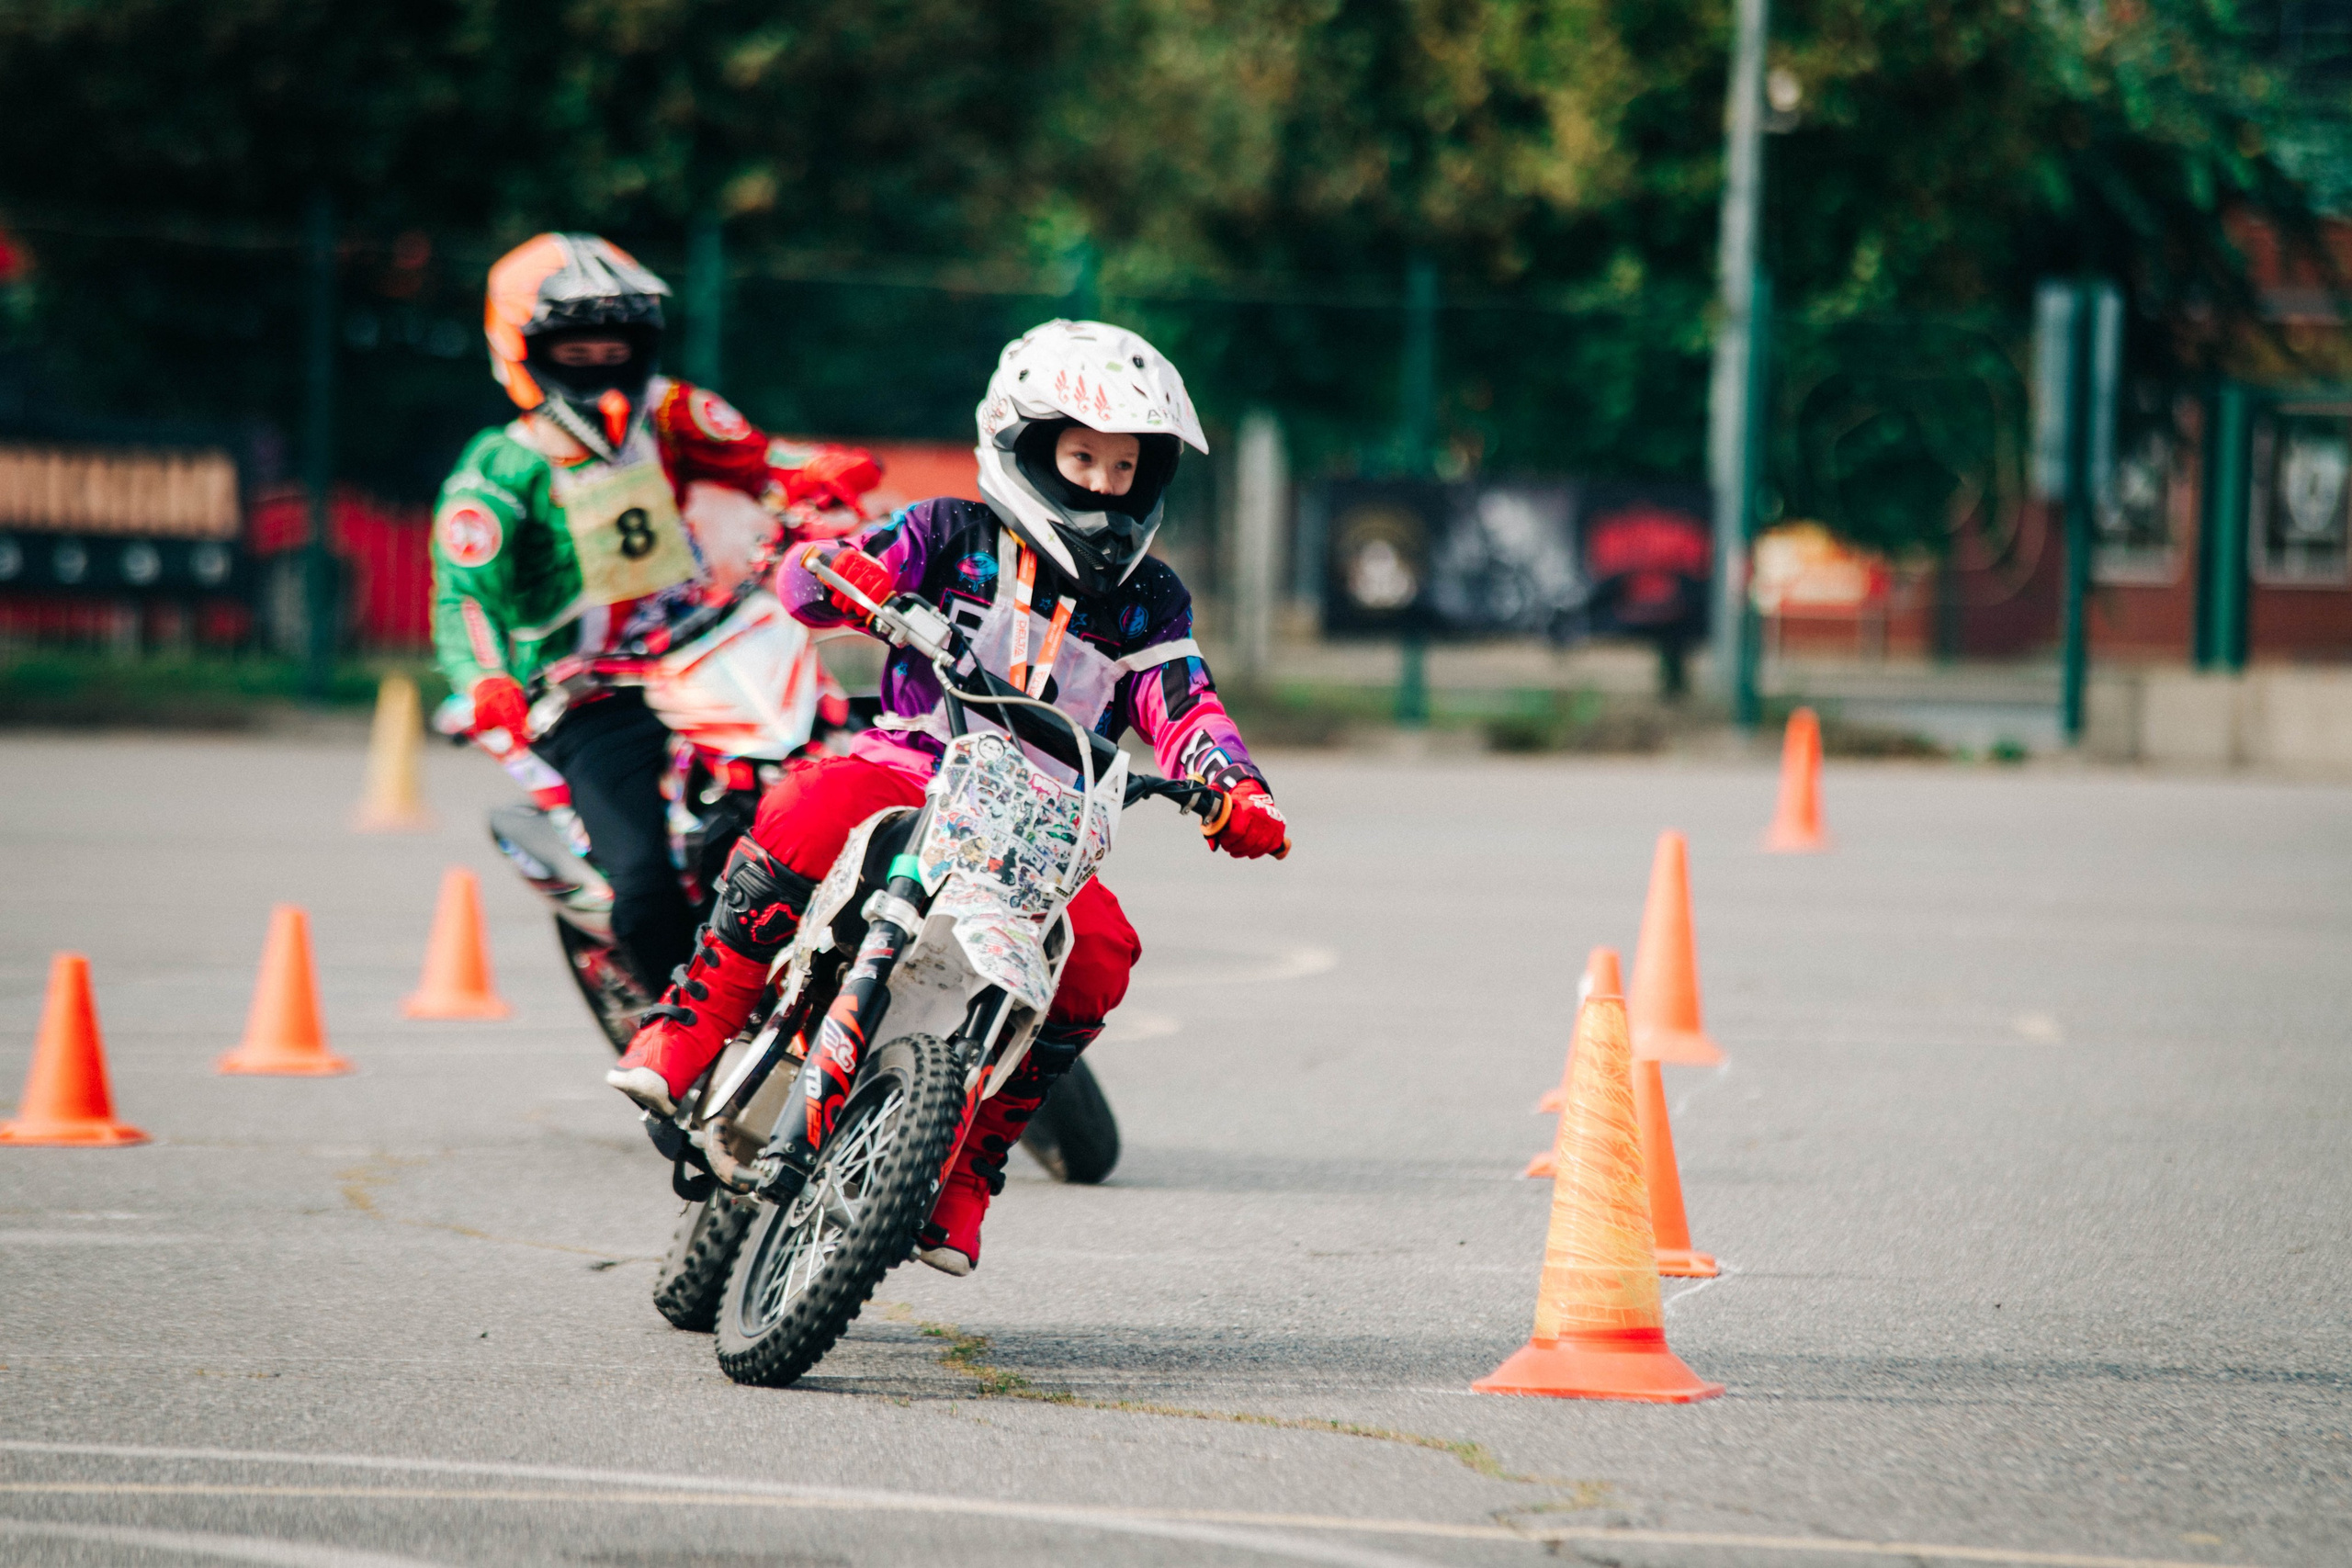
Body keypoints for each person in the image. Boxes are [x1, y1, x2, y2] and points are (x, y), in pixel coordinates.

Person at [606, 319, 1289, 1275]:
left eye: (1123, 465)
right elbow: (812, 578)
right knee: (808, 802)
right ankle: (694, 1020)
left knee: (1099, 956)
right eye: (1080, 456)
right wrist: (836, 572)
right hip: (914, 764)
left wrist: (1235, 788)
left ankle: (968, 1171)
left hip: (1044, 827)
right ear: (1020, 444)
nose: (1099, 482)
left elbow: (1184, 705)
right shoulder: (949, 531)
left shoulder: (1151, 602)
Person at [430, 232, 880, 992]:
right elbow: (462, 593)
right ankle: (686, 1040)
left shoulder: (674, 411)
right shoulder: (496, 471)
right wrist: (484, 680)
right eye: (576, 348)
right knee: (640, 881)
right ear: (521, 350)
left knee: (849, 752)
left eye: (618, 343)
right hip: (588, 692)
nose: (603, 364)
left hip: (710, 643)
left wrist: (817, 472)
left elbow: (763, 462)